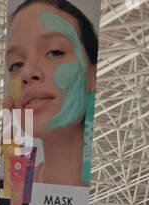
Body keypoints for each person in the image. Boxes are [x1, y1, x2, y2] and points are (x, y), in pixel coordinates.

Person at [5, 0, 98, 189]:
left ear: (91, 75)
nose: (27, 72)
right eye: (16, 64)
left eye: (55, 52)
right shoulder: (22, 187)